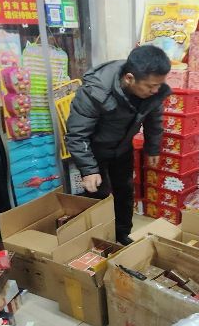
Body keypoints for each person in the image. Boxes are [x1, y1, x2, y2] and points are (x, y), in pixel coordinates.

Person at [65, 45, 171, 244]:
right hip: (95, 151)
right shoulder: (95, 90)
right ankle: (97, 240)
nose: (156, 90)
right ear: (129, 78)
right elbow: (77, 134)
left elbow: (154, 120)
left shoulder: (152, 91)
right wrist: (88, 169)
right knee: (98, 195)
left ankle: (122, 234)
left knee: (125, 192)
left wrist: (153, 147)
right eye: (150, 86)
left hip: (122, 148)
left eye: (159, 85)